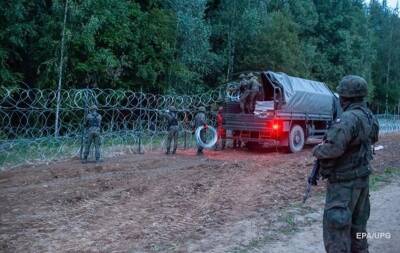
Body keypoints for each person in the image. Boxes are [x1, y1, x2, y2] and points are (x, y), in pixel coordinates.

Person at [312, 75, 379, 253]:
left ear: (345, 97)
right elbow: (373, 138)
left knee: (337, 234)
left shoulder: (348, 118)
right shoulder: (369, 116)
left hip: (344, 184)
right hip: (361, 182)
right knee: (358, 231)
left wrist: (317, 150)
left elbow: (333, 149)